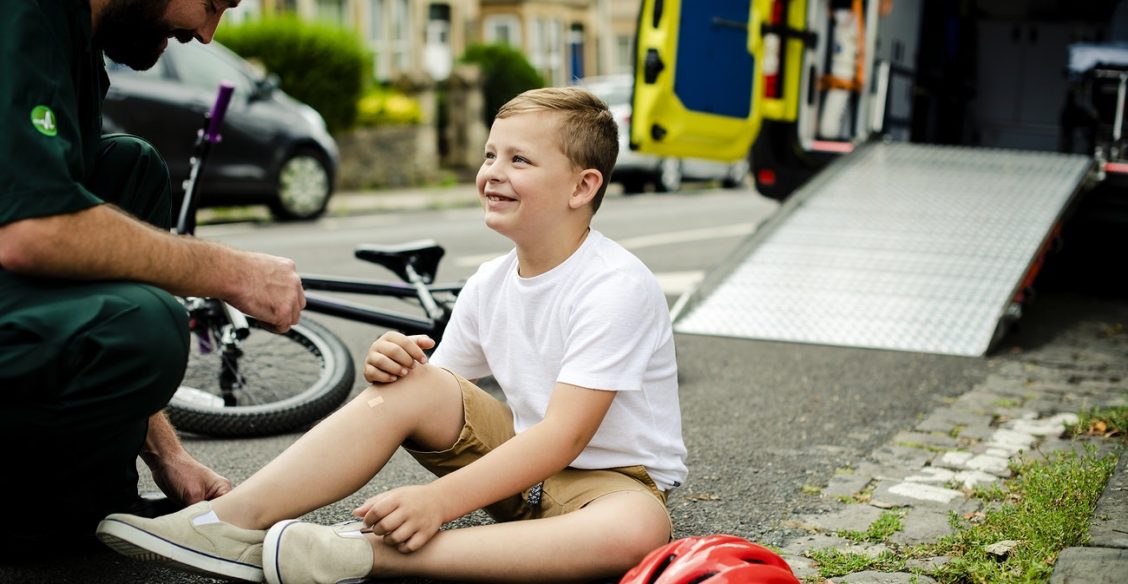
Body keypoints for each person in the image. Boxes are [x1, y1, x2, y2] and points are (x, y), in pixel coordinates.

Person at [95, 86, 688, 583]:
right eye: (490, 155)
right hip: (521, 475)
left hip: (608, 489)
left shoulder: (614, 285)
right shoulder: (490, 281)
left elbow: (563, 436)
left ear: (583, 187)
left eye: (520, 161)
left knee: (638, 530)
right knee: (415, 382)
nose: (492, 173)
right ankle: (224, 521)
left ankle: (354, 553)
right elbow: (440, 388)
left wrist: (437, 502)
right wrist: (397, 367)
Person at [0, 0, 304, 556]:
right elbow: (31, 230)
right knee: (147, 323)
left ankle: (91, 503)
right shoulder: (24, 15)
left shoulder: (81, 45)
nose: (207, 34)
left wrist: (169, 454)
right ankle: (26, 516)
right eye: (211, 4)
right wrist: (233, 271)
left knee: (131, 167)